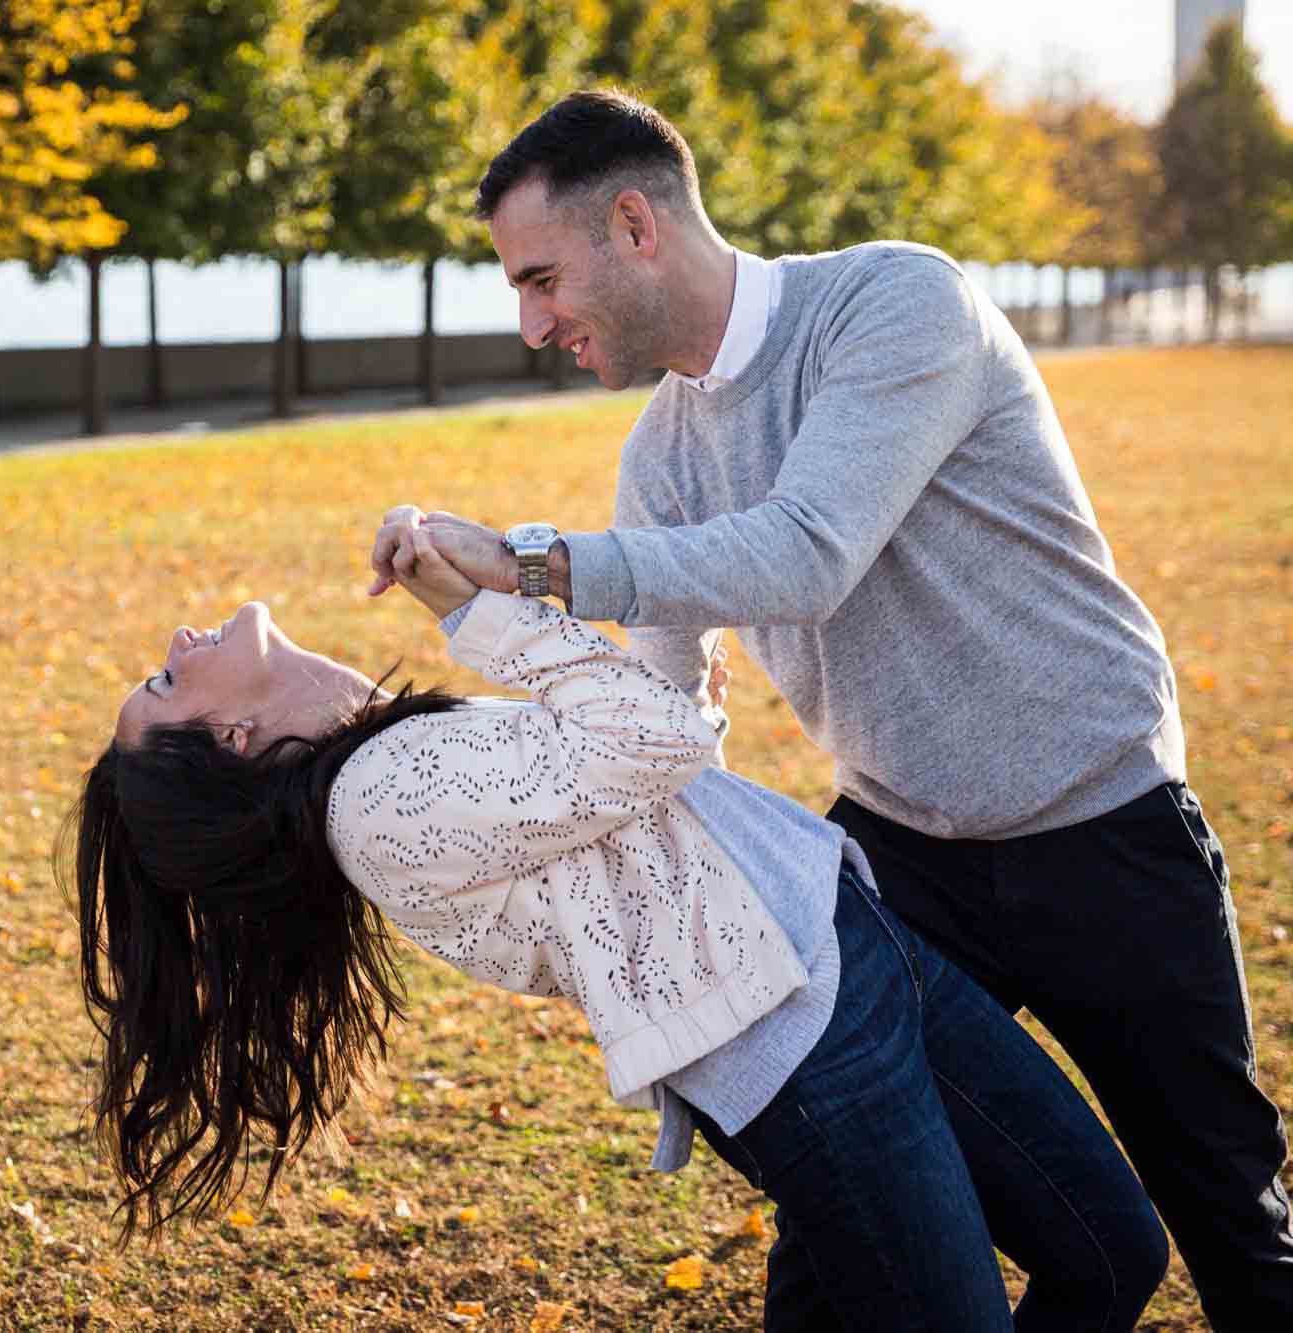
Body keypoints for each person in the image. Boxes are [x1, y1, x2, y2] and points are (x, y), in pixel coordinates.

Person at [367, 88, 1293, 1327]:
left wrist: (531, 559)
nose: (533, 324)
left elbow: (806, 552)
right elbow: (650, 715)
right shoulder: (662, 456)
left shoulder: (895, 301)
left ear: (634, 225)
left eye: (541, 279)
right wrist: (468, 614)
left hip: (1105, 832)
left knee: (1227, 1219)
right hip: (900, 856)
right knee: (835, 1245)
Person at [70, 524, 1166, 1331]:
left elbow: (625, 809)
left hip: (845, 954)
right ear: (235, 736)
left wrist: (685, 716)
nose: (175, 638)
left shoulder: (382, 768)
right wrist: (476, 608)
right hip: (802, 1049)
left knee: (1109, 1254)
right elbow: (640, 748)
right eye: (165, 680)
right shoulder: (377, 799)